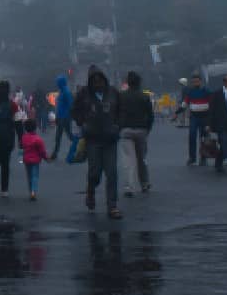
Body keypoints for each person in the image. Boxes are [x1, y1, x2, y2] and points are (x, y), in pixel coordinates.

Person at [73, 67, 124, 219]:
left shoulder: (113, 92)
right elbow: (74, 110)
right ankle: (90, 190)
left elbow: (122, 111)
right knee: (94, 173)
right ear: (90, 82)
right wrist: (83, 123)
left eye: (99, 80)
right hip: (92, 140)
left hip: (110, 139)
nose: (97, 83)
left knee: (112, 173)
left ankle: (112, 205)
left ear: (104, 79)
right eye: (94, 81)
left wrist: (117, 126)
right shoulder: (84, 94)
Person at [117, 71, 154, 196]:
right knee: (141, 159)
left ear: (128, 83)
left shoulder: (121, 96)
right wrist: (148, 129)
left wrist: (119, 127)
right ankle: (144, 183)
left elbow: (116, 113)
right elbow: (150, 115)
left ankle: (129, 187)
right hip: (141, 130)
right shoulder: (144, 96)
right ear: (139, 83)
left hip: (126, 130)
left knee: (128, 160)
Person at [183, 74, 211, 165]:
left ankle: (203, 157)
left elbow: (212, 102)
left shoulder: (206, 91)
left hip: (205, 117)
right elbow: (185, 104)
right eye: (194, 81)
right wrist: (176, 113)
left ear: (200, 81)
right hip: (194, 117)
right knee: (192, 136)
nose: (196, 83)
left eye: (197, 81)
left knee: (204, 137)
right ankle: (192, 157)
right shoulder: (190, 92)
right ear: (192, 83)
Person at [20, 119, 48, 201]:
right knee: (35, 176)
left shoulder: (24, 138)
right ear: (35, 128)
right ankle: (33, 191)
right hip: (35, 161)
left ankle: (30, 191)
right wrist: (47, 158)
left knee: (29, 176)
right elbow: (42, 151)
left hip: (26, 160)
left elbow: (22, 147)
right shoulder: (38, 139)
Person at [49, 75, 75, 161]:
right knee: (66, 135)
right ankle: (55, 153)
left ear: (61, 82)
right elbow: (59, 106)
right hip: (61, 117)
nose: (57, 83)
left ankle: (55, 153)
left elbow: (70, 105)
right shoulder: (61, 91)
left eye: (58, 82)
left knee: (63, 135)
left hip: (65, 117)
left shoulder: (66, 92)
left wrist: (68, 116)